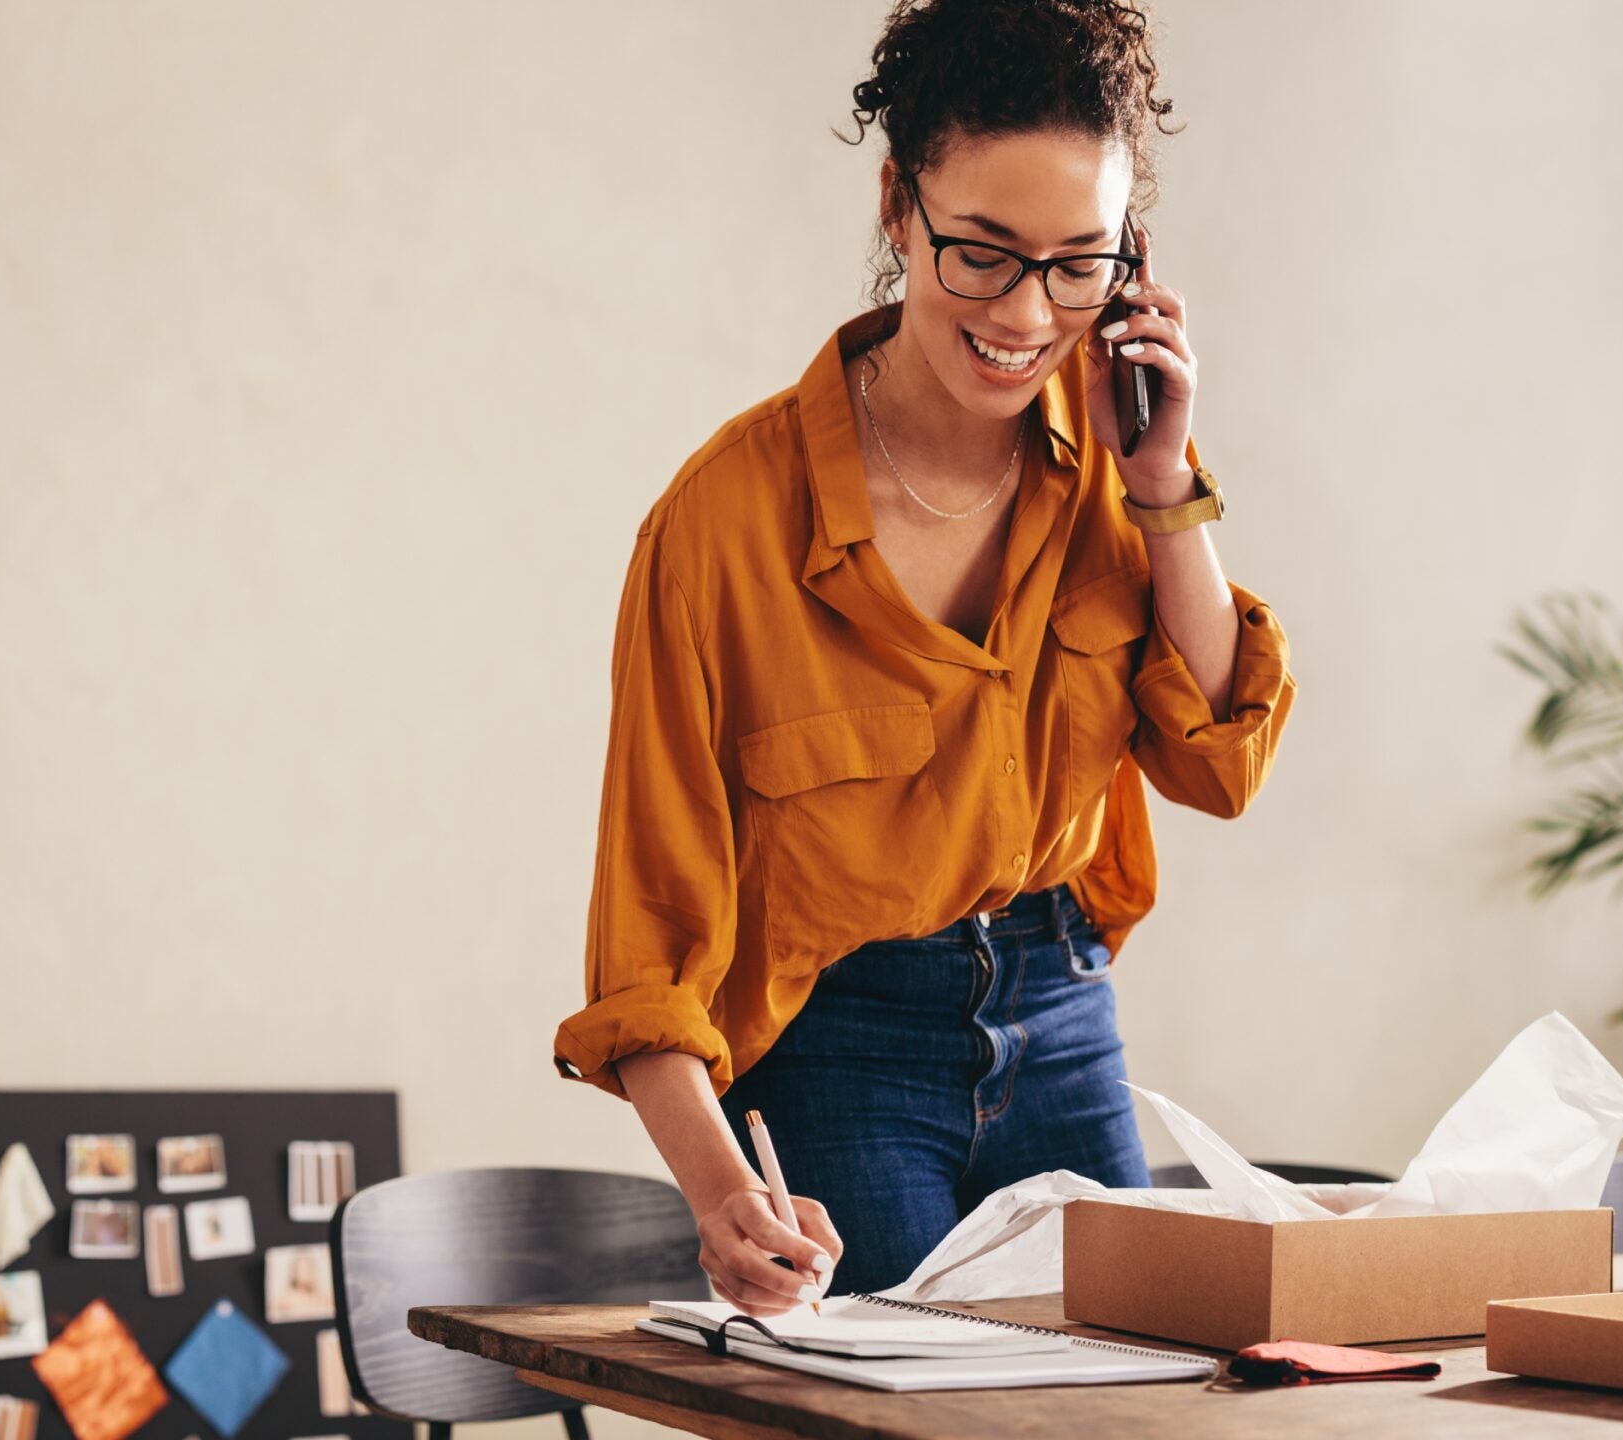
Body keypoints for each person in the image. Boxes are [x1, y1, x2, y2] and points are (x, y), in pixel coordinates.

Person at [553, 0, 1295, 1311]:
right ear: (899, 205)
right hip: (842, 1050)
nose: (1028, 314)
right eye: (984, 254)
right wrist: (727, 1200)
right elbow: (648, 952)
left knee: (1134, 1406)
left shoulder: (1113, 461)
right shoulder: (724, 527)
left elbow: (1219, 762)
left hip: (1063, 1011)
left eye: (1081, 263)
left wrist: (1166, 477)